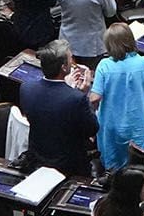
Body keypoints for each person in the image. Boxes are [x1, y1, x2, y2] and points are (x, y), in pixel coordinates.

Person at [92, 22, 144, 169]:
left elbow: (95, 98)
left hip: (111, 126)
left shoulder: (104, 65)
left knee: (114, 171)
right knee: (139, 168)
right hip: (139, 125)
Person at [22, 40, 98, 176]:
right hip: (69, 166)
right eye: (70, 59)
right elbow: (92, 128)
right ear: (64, 67)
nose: (72, 62)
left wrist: (68, 89)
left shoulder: (26, 88)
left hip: (37, 160)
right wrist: (82, 95)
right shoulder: (76, 98)